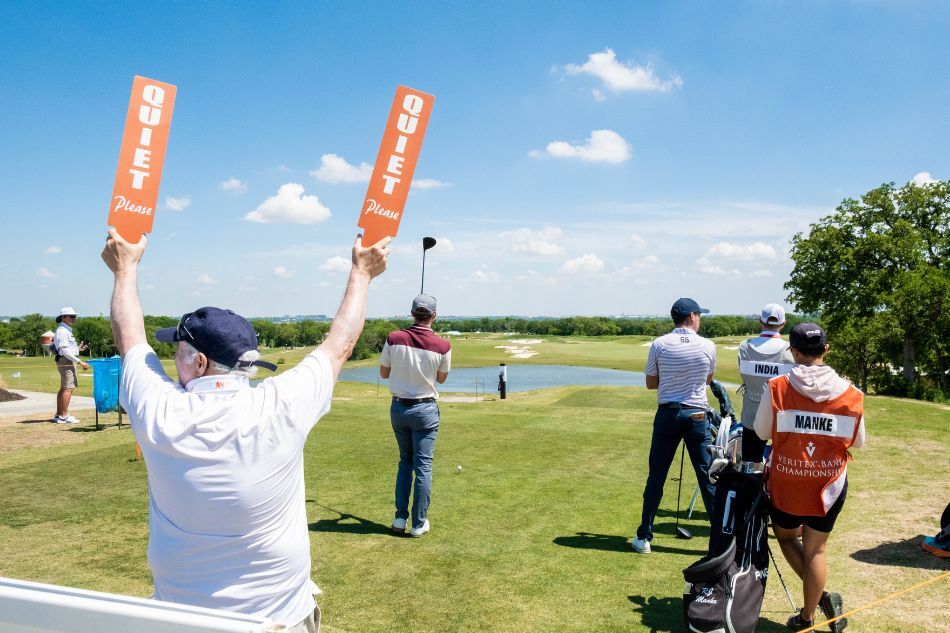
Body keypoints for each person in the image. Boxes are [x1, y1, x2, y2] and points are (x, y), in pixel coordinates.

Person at [101, 229, 390, 632]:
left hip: (180, 621)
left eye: (177, 352)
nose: (173, 362)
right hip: (282, 620)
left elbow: (129, 336)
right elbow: (339, 343)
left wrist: (124, 269)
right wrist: (361, 274)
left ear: (199, 363)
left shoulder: (159, 409)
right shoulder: (281, 404)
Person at [753, 322, 865, 632]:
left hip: (787, 481)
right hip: (828, 485)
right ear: (826, 350)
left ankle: (816, 602)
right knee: (816, 550)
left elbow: (762, 432)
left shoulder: (777, 386)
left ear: (793, 351)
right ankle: (807, 615)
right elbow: (858, 441)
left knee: (788, 538)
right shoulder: (851, 392)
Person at [630, 297, 717, 553]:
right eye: (699, 315)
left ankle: (644, 537)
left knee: (656, 476)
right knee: (708, 477)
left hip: (668, 415)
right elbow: (708, 378)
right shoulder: (708, 345)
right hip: (697, 416)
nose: (700, 319)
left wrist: (671, 380)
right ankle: (720, 542)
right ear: (691, 317)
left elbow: (650, 383)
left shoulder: (659, 344)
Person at [379, 294, 451, 538]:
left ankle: (400, 519)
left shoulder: (394, 338)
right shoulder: (443, 345)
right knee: (423, 466)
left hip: (399, 408)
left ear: (412, 313)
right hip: (425, 410)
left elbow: (384, 372)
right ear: (434, 316)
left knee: (405, 462)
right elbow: (441, 379)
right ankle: (419, 523)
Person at [737, 303, 794, 461]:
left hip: (751, 416)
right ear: (783, 324)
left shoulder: (744, 347)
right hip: (781, 416)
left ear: (760, 322)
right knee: (783, 462)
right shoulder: (791, 350)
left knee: (751, 464)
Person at [52, 306, 89, 424]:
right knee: (69, 388)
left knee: (64, 388)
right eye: (72, 316)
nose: (74, 319)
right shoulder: (62, 331)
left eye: (75, 316)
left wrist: (78, 350)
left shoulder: (66, 330)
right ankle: (64, 416)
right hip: (66, 361)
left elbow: (67, 349)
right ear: (63, 317)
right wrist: (80, 361)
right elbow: (64, 351)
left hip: (66, 359)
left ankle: (59, 414)